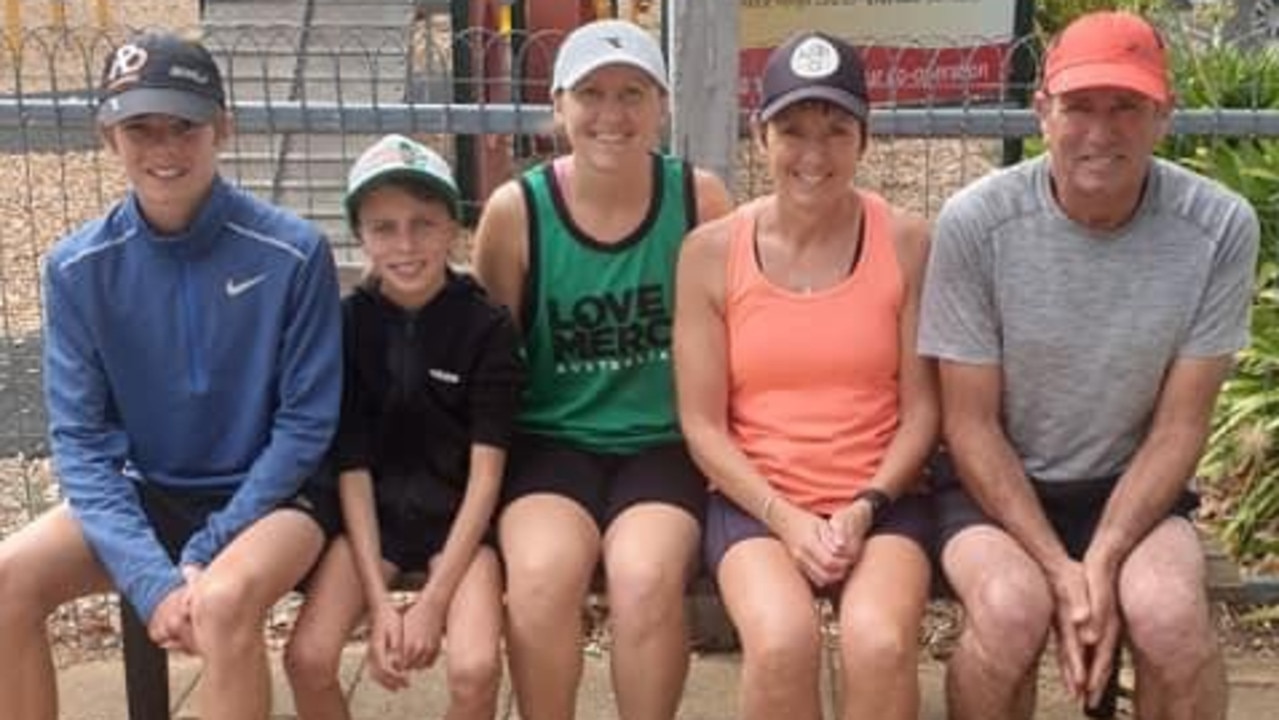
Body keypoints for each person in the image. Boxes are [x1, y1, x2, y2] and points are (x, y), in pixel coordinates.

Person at [918, 11, 1259, 720]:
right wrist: (1056, 569)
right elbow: (969, 424)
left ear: (1163, 116)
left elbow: (1179, 426)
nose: (1100, 133)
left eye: (1126, 107)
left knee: (1169, 618)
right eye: (1078, 107)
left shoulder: (1218, 226)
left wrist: (1100, 557)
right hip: (993, 484)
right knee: (1011, 611)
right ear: (1042, 112)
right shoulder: (974, 223)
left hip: (1129, 479)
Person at [0, 31, 343, 720]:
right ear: (107, 136)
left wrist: (208, 549)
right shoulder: (75, 269)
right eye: (140, 128)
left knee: (220, 604)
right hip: (149, 496)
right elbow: (82, 444)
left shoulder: (293, 252)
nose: (163, 150)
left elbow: (305, 428)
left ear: (223, 127)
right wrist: (152, 581)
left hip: (272, 503)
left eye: (183, 126)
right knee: (7, 580)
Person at [471, 18, 732, 720]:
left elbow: (737, 336)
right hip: (551, 443)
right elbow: (487, 362)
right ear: (557, 106)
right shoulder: (517, 211)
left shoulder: (698, 202)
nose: (611, 114)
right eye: (590, 93)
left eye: (632, 93)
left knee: (645, 579)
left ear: (661, 106)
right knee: (539, 576)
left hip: (662, 443)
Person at [674, 31, 937, 720]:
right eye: (791, 130)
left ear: (865, 138)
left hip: (881, 499)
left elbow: (921, 412)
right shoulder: (709, 254)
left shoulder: (906, 241)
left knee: (878, 642)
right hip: (756, 502)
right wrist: (786, 519)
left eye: (835, 130)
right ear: (759, 135)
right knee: (781, 640)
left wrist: (864, 506)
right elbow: (702, 424)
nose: (813, 155)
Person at [284, 134, 524, 720]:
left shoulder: (486, 327)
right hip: (375, 524)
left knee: (474, 668)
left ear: (453, 228)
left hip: (463, 527)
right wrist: (379, 602)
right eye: (383, 227)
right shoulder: (348, 325)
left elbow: (487, 478)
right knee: (308, 659)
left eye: (424, 223)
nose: (406, 244)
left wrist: (432, 603)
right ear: (360, 236)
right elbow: (353, 468)